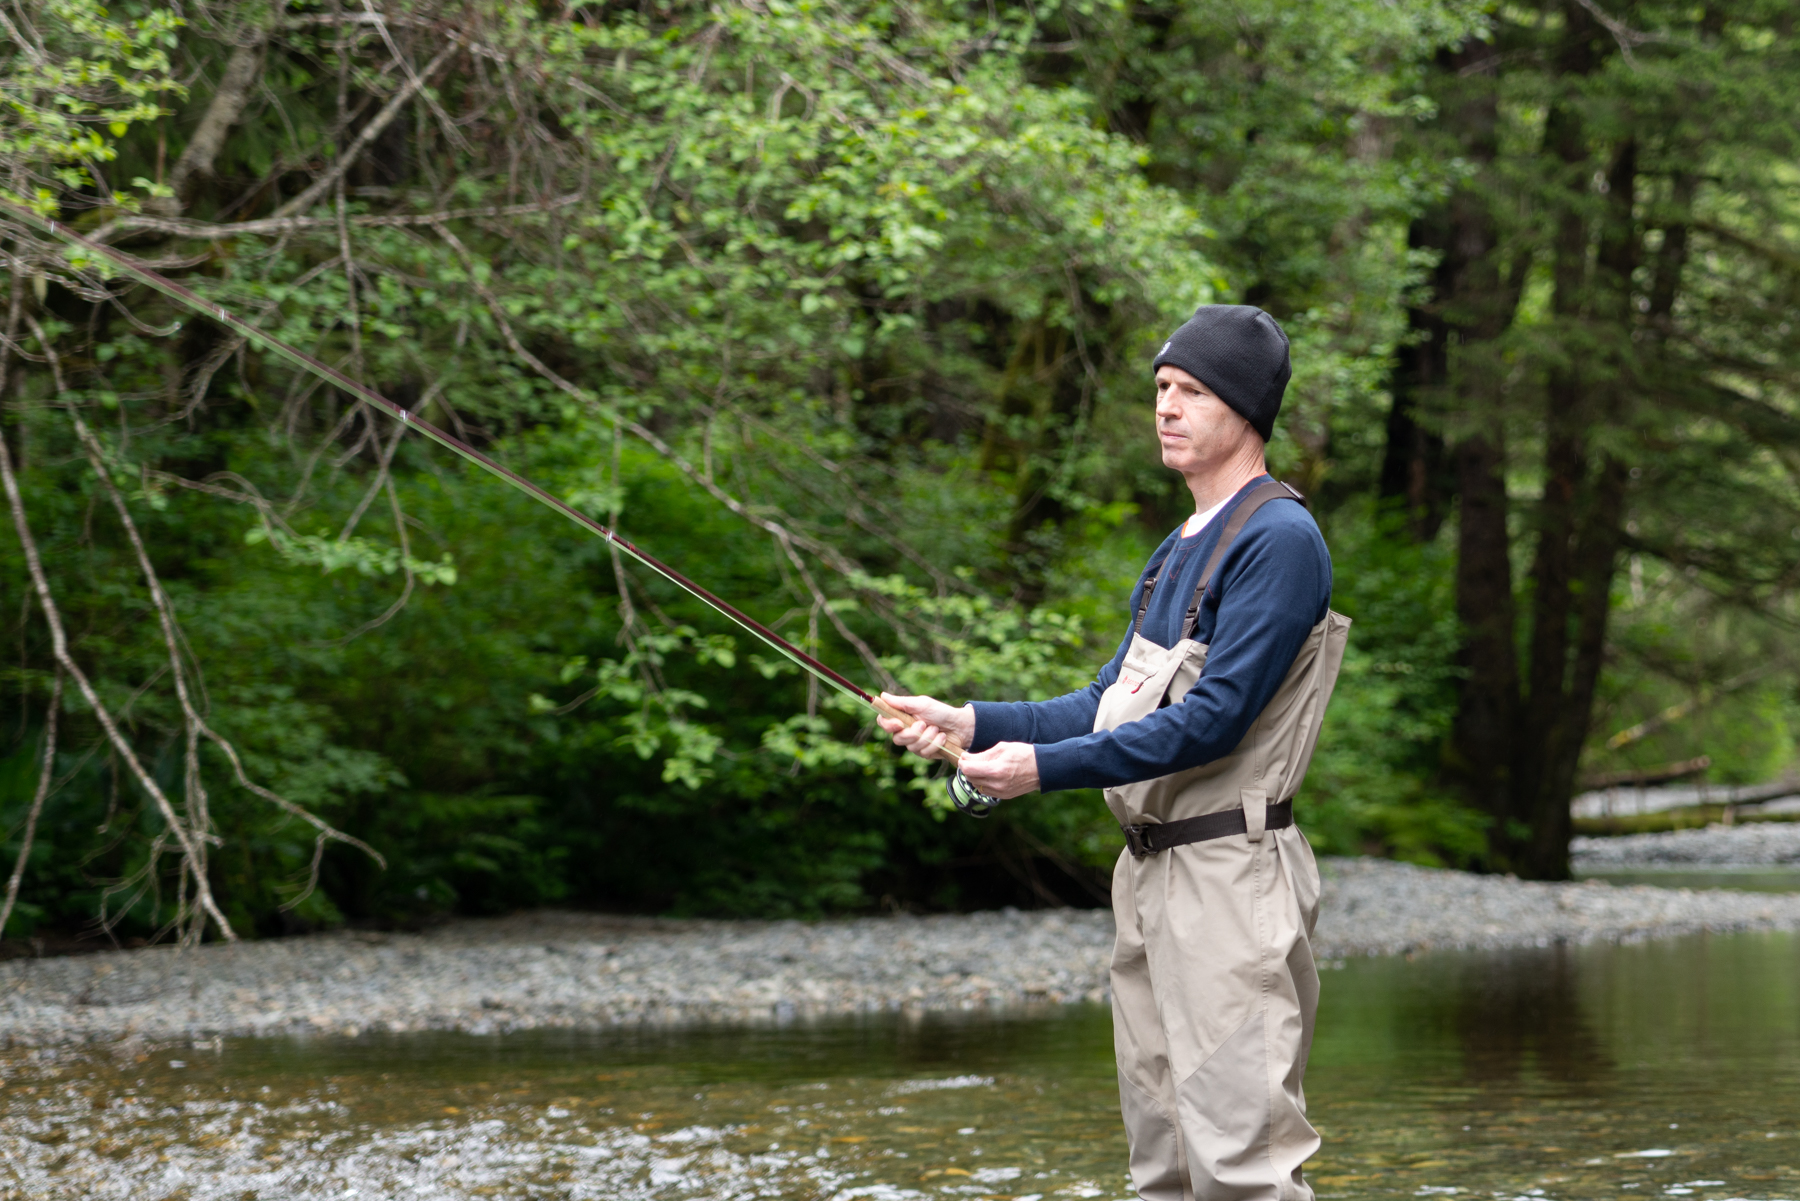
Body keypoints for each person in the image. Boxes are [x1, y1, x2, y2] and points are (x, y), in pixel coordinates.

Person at [878, 304, 1350, 1201]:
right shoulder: (1178, 549)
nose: (1167, 407)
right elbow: (1105, 704)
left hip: (1230, 874)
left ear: (1246, 409)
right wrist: (969, 722)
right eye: (1162, 389)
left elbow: (1214, 720)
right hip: (1152, 877)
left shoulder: (1279, 541)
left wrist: (1035, 771)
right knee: (1163, 1160)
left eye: (1193, 391)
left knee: (1241, 1163)